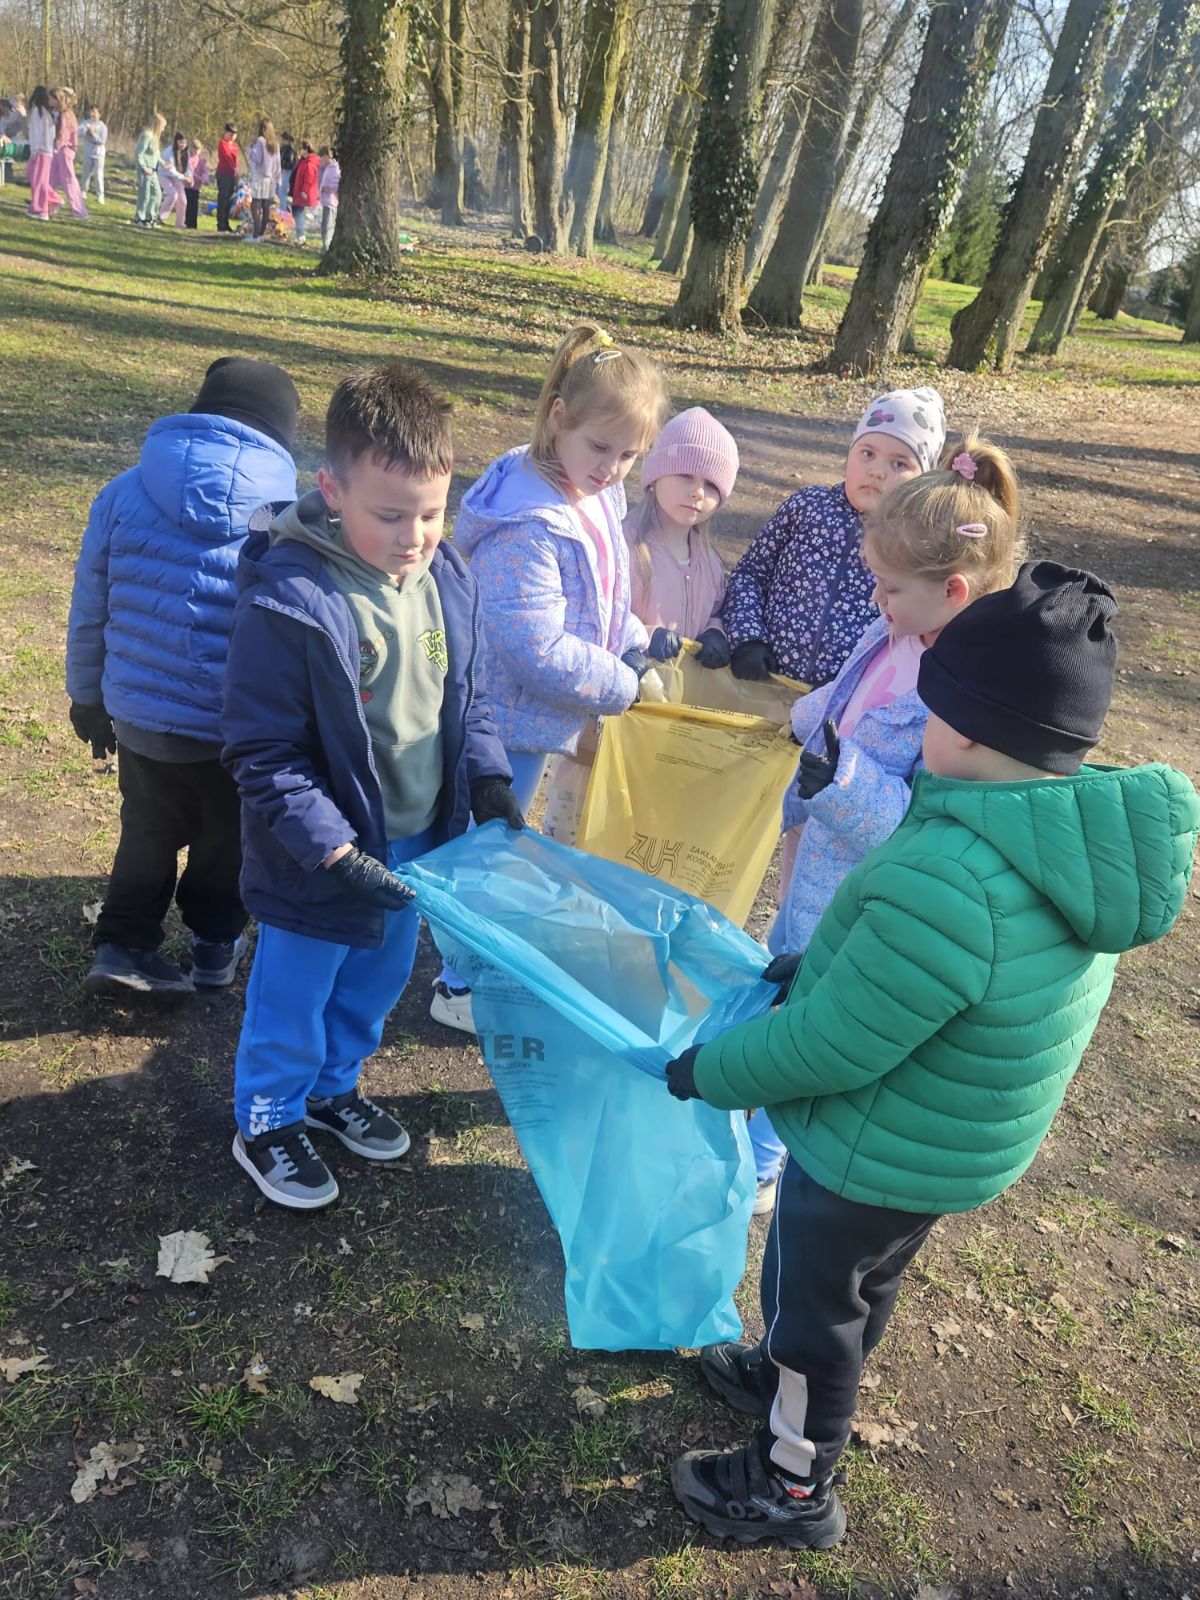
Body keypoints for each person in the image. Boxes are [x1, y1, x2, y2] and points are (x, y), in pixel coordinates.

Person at [664, 561, 1199, 1552]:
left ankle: (792, 1482)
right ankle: (799, 1389)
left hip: (871, 1149)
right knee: (863, 1287)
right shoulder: (1065, 845)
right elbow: (905, 986)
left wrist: (708, 1071)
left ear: (964, 727)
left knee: (810, 1308)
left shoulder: (953, 878)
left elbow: (832, 1046)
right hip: (944, 1151)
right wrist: (807, 965)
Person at [221, 364, 517, 1209]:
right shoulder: (292, 599)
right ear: (331, 489)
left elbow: (471, 694)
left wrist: (487, 774)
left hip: (417, 839)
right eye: (389, 515)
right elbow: (263, 752)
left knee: (378, 978)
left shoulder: (448, 576)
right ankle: (269, 1117)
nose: (414, 535)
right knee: (296, 985)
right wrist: (333, 847)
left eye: (431, 512)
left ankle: (331, 1087)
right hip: (319, 854)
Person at [748, 438, 1023, 1215]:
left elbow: (923, 827)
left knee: (814, 1022)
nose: (877, 600)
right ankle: (760, 1124)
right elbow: (845, 694)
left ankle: (768, 1160)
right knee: (783, 984)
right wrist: (796, 722)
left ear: (957, 591)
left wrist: (840, 778)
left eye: (890, 587)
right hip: (819, 868)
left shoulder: (963, 702)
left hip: (864, 896)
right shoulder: (897, 631)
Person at [429, 323, 670, 1032]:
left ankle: (471, 960)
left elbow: (601, 591)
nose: (613, 468)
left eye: (630, 455)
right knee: (488, 847)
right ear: (558, 417)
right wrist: (620, 685)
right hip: (500, 721)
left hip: (532, 719)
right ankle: (459, 986)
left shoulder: (589, 492)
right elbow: (533, 643)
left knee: (499, 844)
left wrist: (632, 641)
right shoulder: (529, 522)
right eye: (601, 448)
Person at [66, 358, 300, 999]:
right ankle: (214, 948)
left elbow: (91, 603)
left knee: (147, 826)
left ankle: (123, 944)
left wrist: (86, 695)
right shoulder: (290, 517)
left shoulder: (122, 492)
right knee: (228, 840)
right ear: (280, 433)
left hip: (142, 717)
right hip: (236, 727)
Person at [723, 388, 946, 688]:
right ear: (849, 455)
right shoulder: (806, 507)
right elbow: (750, 574)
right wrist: (747, 638)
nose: (877, 471)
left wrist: (860, 683)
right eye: (867, 453)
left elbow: (916, 634)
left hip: (841, 700)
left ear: (922, 479)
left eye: (899, 464)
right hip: (763, 679)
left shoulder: (915, 546)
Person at [625, 406, 739, 665]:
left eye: (710, 485)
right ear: (655, 477)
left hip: (676, 700)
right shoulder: (626, 546)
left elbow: (716, 609)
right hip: (629, 694)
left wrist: (715, 631)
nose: (698, 492)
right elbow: (603, 617)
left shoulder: (709, 562)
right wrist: (644, 637)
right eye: (686, 475)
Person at [48, 86, 87, 218]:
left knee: (69, 181)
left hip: (65, 150)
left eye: (51, 99)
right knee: (51, 178)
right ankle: (49, 204)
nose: (49, 101)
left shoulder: (66, 114)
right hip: (60, 151)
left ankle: (79, 210)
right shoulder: (61, 113)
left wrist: (54, 147)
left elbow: (63, 134)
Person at [24, 85, 55, 220]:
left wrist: (34, 150)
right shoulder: (47, 113)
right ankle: (46, 203)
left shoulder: (38, 112)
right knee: (39, 179)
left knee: (37, 180)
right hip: (47, 151)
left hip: (40, 151)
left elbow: (36, 133)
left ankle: (39, 209)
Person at [246, 118, 279, 240]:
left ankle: (256, 231)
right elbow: (277, 163)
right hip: (269, 178)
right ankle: (262, 233)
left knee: (255, 204)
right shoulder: (275, 143)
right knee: (265, 206)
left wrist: (250, 150)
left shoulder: (260, 141)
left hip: (260, 177)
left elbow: (258, 158)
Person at [132, 113, 166, 226]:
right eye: (163, 126)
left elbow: (156, 156)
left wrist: (164, 164)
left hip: (153, 170)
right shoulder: (147, 135)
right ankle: (139, 218)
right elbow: (139, 153)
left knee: (157, 194)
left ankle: (150, 216)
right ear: (157, 125)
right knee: (144, 195)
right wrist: (144, 168)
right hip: (144, 170)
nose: (163, 129)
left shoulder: (155, 138)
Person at [290, 139, 319, 245]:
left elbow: (309, 180)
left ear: (306, 149)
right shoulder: (303, 161)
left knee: (299, 214)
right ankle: (299, 234)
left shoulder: (309, 164)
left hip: (304, 194)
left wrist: (305, 191)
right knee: (297, 213)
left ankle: (301, 235)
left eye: (301, 148)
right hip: (299, 192)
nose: (299, 150)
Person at [158, 131, 190, 227]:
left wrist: (189, 176)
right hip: (164, 174)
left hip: (176, 177)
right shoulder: (169, 152)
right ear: (176, 142)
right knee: (172, 194)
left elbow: (188, 167)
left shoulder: (185, 153)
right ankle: (160, 217)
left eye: (184, 143)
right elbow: (171, 169)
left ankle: (180, 223)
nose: (182, 145)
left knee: (183, 200)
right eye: (180, 142)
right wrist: (183, 178)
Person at [78, 103, 107, 204]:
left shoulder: (103, 127)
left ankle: (100, 195)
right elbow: (79, 132)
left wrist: (93, 133)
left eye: (94, 112)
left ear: (99, 114)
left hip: (99, 154)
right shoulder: (86, 122)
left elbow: (101, 141)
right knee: (86, 173)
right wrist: (86, 129)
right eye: (91, 112)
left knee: (98, 174)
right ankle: (83, 191)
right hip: (87, 152)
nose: (92, 114)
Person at [215, 122, 239, 234]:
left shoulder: (235, 146)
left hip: (232, 175)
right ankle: (220, 223)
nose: (233, 136)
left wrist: (236, 170)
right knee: (223, 198)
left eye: (235, 134)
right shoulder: (222, 143)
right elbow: (228, 158)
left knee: (229, 199)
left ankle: (226, 222)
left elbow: (235, 159)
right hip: (223, 173)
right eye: (231, 133)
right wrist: (235, 168)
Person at [184, 139, 210, 228]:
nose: (195, 152)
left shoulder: (201, 160)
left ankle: (193, 225)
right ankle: (186, 223)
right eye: (193, 149)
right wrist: (199, 178)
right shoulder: (187, 158)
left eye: (197, 150)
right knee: (187, 205)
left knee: (194, 206)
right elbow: (189, 172)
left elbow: (205, 171)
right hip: (187, 186)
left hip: (196, 187)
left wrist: (204, 179)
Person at [318, 146, 339, 251]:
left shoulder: (335, 168)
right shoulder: (329, 168)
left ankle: (326, 247)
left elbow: (337, 184)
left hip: (331, 201)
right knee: (324, 225)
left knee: (327, 226)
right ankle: (325, 246)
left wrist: (330, 189)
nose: (321, 161)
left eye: (322, 158)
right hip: (326, 200)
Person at [278, 129, 295, 212]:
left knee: (282, 193)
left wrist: (282, 163)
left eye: (283, 139)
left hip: (287, 172)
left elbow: (290, 163)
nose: (282, 141)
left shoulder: (290, 150)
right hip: (283, 171)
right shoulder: (283, 148)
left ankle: (283, 210)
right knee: (280, 192)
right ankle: (284, 208)